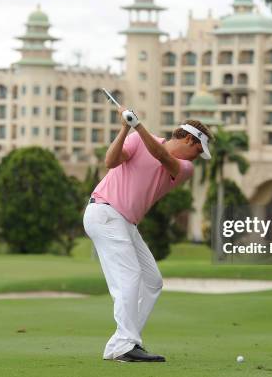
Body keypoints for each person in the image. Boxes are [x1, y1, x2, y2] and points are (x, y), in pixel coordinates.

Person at [82, 106, 212, 362]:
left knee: (152, 281)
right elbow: (110, 162)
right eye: (198, 150)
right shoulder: (135, 138)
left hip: (125, 223)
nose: (198, 157)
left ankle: (121, 342)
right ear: (188, 139)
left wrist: (137, 126)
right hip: (105, 213)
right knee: (129, 278)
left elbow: (161, 155)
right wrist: (124, 128)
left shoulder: (185, 168)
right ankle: (125, 345)